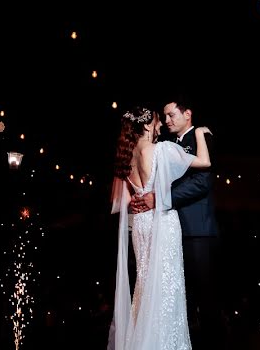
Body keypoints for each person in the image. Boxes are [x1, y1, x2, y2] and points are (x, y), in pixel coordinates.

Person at [108, 105, 212, 350]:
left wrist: (136, 198)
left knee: (144, 286)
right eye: (156, 121)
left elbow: (120, 203)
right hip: (162, 223)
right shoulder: (162, 150)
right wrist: (198, 134)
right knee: (166, 287)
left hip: (141, 226)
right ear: (145, 125)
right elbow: (205, 162)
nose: (160, 125)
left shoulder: (128, 155)